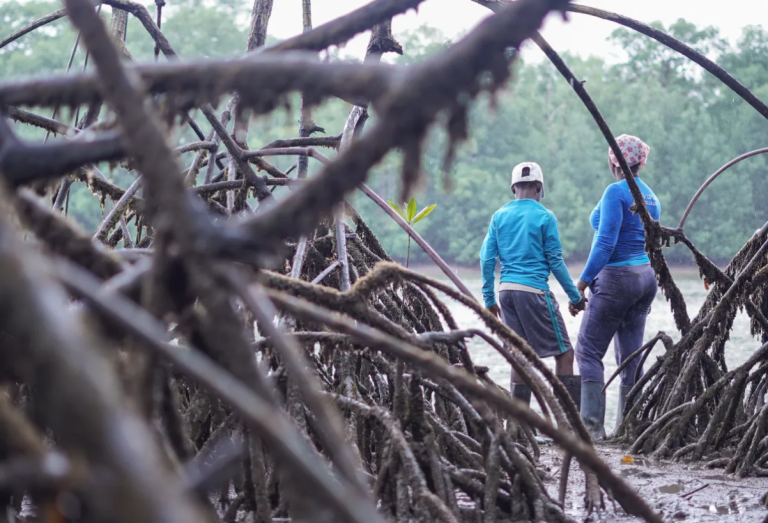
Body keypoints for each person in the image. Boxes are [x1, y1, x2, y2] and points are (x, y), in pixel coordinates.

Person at [572, 135, 660, 439]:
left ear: (614, 162)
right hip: (645, 278)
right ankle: (628, 428)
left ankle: (592, 431)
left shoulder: (615, 192)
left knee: (588, 352)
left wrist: (581, 283)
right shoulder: (652, 198)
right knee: (630, 357)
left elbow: (605, 243)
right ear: (639, 163)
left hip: (617, 278)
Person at [480, 161, 587, 409]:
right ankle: (568, 428)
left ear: (513, 189)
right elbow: (555, 262)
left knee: (520, 357)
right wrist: (575, 297)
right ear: (539, 188)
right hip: (534, 292)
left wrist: (489, 300)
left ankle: (520, 429)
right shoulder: (545, 216)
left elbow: (486, 259)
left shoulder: (499, 216)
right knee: (565, 354)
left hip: (505, 292)